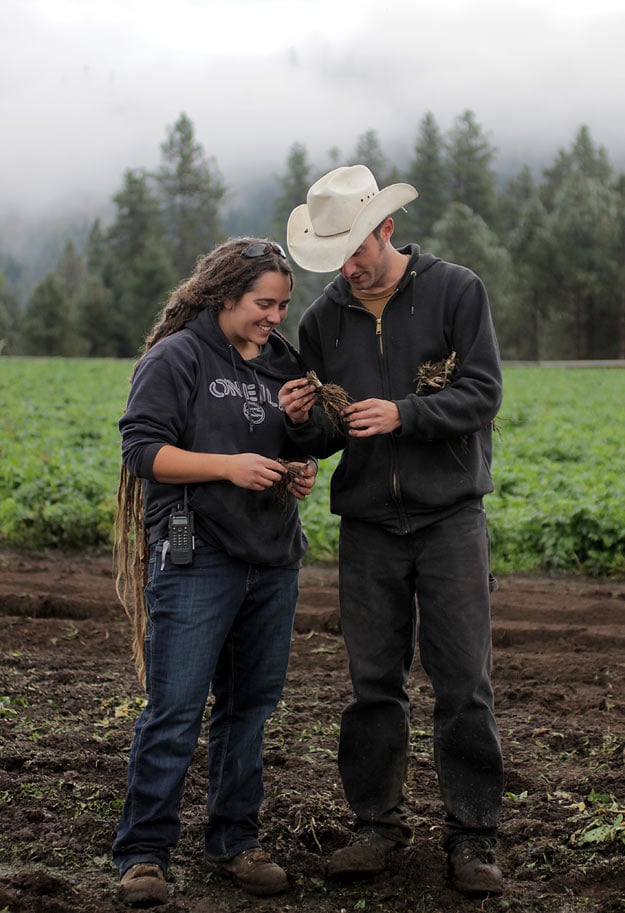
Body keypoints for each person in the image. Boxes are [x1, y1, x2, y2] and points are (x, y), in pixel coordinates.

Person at [278, 165, 505, 896]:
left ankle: (473, 837)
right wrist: (301, 418)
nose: (348, 268)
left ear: (387, 227)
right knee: (372, 684)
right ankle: (375, 824)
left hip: (449, 519)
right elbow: (322, 434)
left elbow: (481, 393)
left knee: (463, 683)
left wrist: (407, 412)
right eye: (334, 256)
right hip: (369, 524)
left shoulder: (455, 291)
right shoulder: (320, 319)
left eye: (357, 250)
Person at [112, 237, 317, 908]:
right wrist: (227, 464)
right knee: (173, 710)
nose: (274, 316)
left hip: (272, 555)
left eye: (283, 305)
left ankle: (234, 839)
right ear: (224, 295)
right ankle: (143, 852)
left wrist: (298, 463)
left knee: (248, 709)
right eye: (264, 303)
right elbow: (144, 451)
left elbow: (287, 438)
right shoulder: (177, 358)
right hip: (197, 555)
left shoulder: (281, 361)